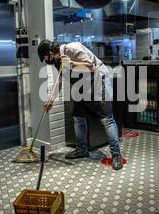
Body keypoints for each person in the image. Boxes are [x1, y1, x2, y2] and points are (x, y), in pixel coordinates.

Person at [38, 40, 123, 171]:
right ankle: (82, 150)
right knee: (78, 116)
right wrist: (51, 100)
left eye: (45, 58)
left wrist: (71, 63)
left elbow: (90, 66)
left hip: (96, 81)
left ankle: (116, 155)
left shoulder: (72, 49)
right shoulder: (57, 61)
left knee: (107, 119)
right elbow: (60, 80)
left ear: (50, 53)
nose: (46, 61)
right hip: (80, 86)